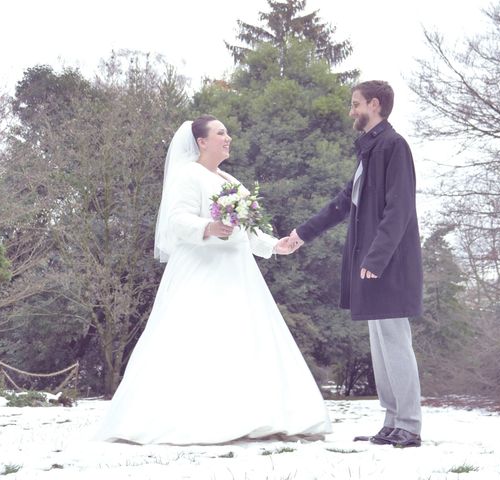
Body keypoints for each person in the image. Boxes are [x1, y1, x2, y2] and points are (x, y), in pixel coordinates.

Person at [94, 116, 331, 445]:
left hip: (237, 272)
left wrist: (275, 246)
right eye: (220, 133)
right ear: (202, 142)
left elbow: (248, 228)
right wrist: (207, 228)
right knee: (196, 338)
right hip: (201, 269)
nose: (228, 138)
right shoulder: (188, 176)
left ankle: (257, 416)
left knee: (245, 339)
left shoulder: (233, 181)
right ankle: (188, 419)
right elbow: (176, 220)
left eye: (227, 133)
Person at [289, 80, 423, 448]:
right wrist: (300, 235)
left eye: (355, 104)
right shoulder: (369, 151)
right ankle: (392, 421)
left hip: (389, 264)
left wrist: (376, 258)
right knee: (381, 347)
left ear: (374, 105)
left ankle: (409, 425)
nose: (351, 111)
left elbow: (400, 209)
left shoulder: (394, 146)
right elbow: (343, 203)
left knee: (395, 343)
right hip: (372, 264)